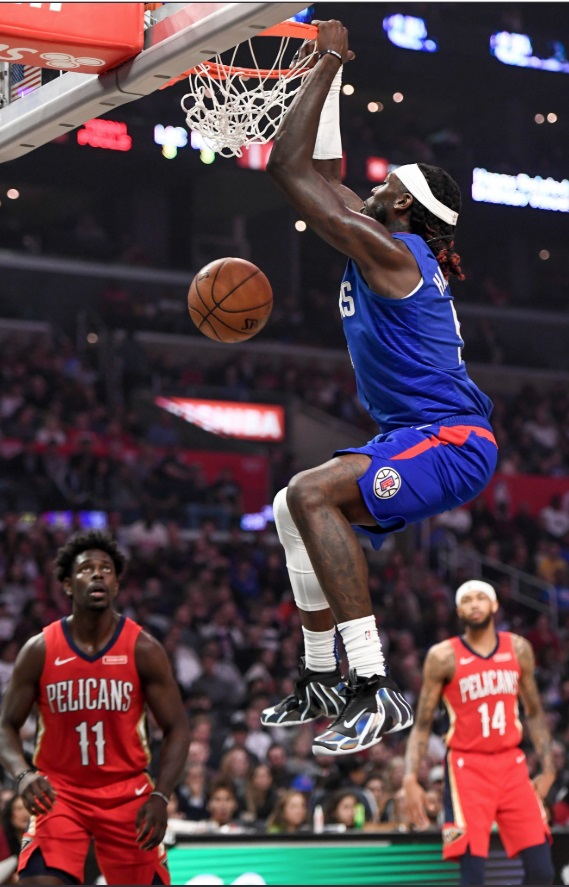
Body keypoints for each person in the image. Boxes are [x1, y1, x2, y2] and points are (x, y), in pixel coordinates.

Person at [261, 18, 498, 756]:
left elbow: (289, 170)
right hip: (415, 435)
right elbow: (320, 171)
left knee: (308, 495)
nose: (368, 185)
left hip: (452, 441)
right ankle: (321, 675)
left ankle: (372, 687)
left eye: (384, 183)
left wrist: (330, 57)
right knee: (286, 502)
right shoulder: (388, 240)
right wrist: (319, 66)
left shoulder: (389, 249)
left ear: (400, 210)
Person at [0, 530, 191, 886]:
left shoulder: (143, 648)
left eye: (106, 569)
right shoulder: (39, 649)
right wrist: (23, 775)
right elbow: (5, 725)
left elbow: (178, 727)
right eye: (87, 568)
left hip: (127, 793)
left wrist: (162, 795)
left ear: (117, 585)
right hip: (60, 794)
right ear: (68, 585)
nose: (99, 574)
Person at [402, 579, 555, 886]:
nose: (475, 604)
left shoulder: (518, 648)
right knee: (472, 876)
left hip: (512, 764)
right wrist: (409, 777)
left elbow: (535, 713)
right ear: (458, 609)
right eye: (467, 600)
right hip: (466, 768)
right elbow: (422, 723)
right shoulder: (443, 656)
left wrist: (549, 768)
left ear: (494, 605)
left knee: (542, 872)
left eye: (481, 598)